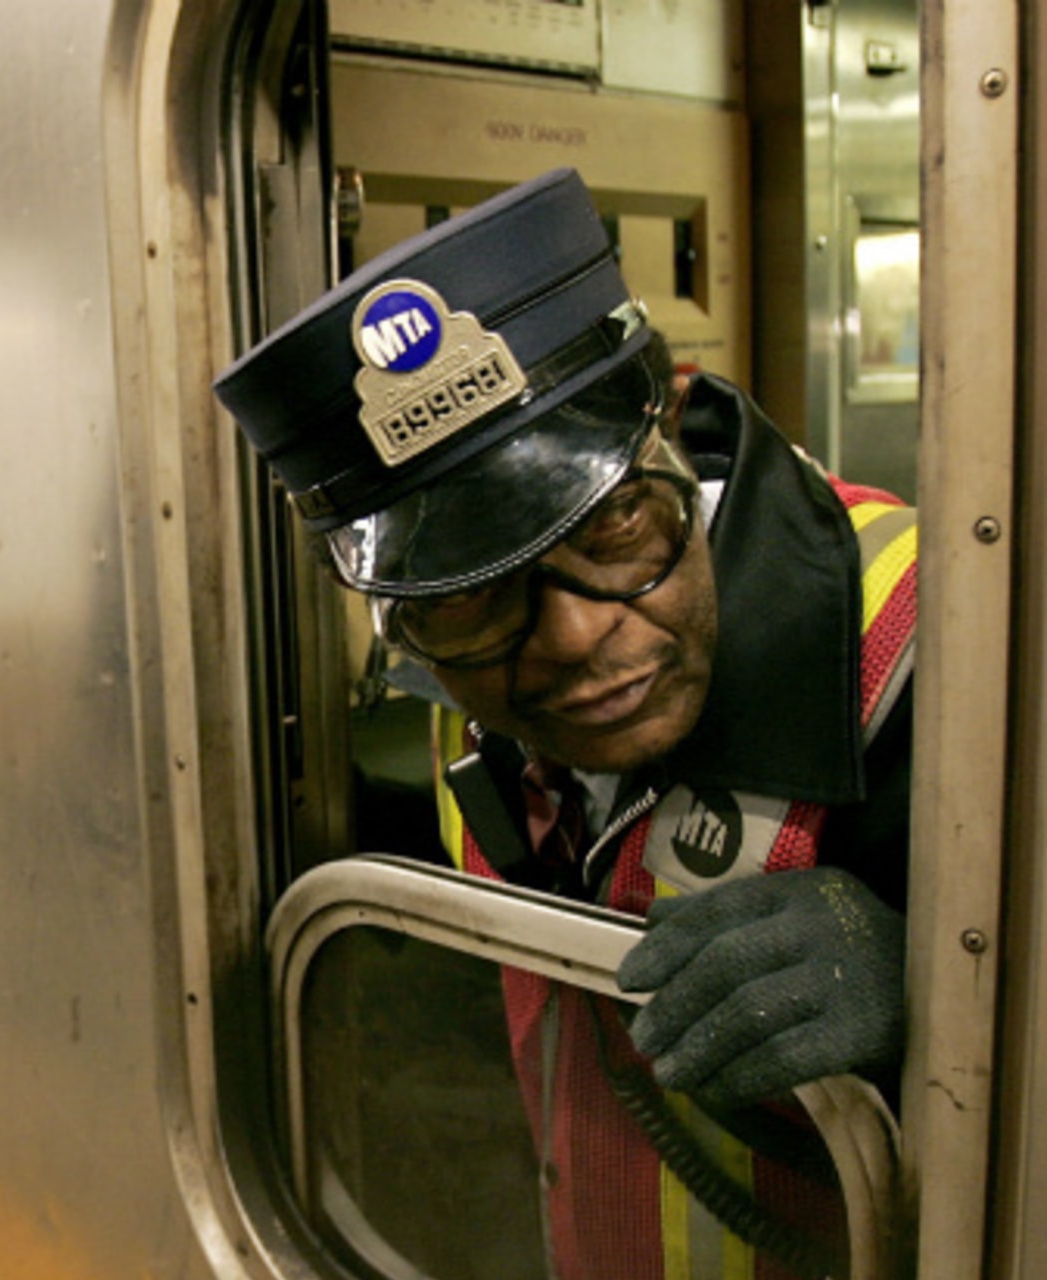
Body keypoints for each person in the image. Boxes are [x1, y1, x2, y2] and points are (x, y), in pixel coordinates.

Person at [214, 168, 916, 1279]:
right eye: (471, 591)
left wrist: (951, 1001)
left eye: (618, 526)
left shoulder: (938, 650)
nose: (578, 638)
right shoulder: (467, 690)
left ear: (673, 422)